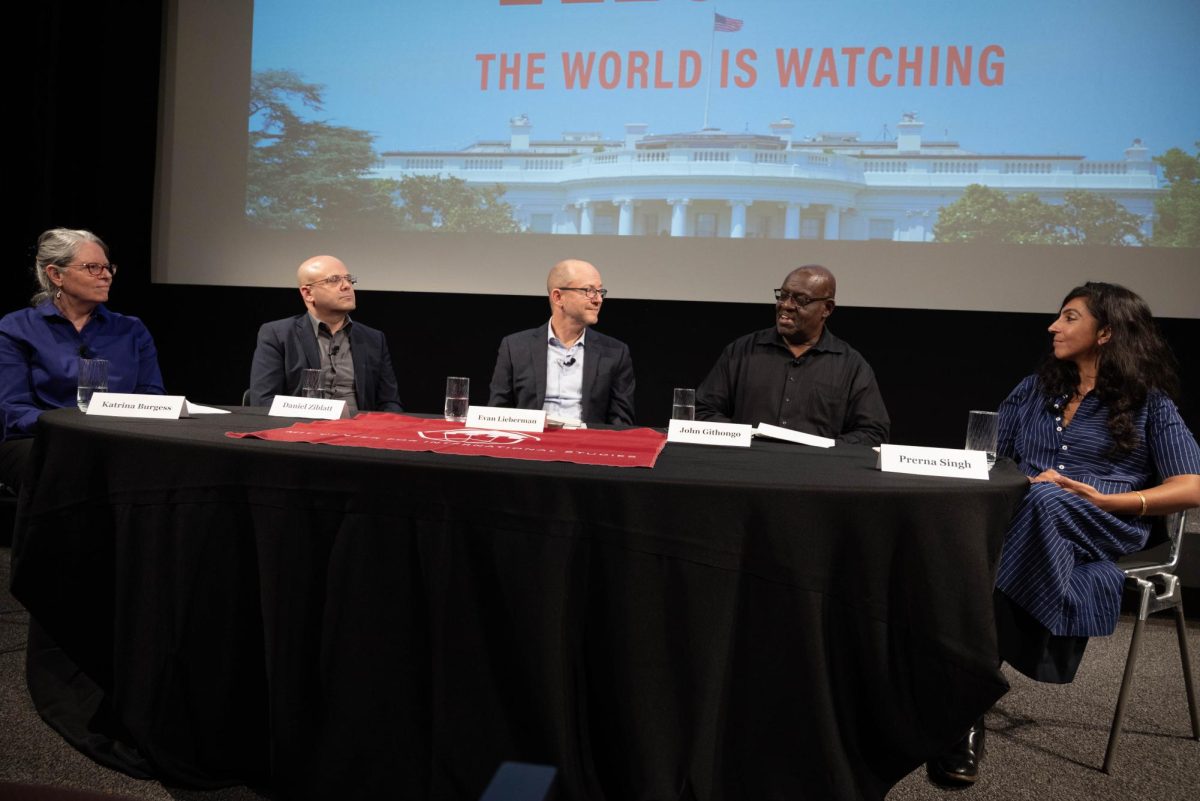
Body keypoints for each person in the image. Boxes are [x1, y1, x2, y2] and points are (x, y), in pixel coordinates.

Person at [928, 282, 1200, 786]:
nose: (1054, 326)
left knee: (1047, 501)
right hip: (1027, 518)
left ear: (1107, 332)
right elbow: (991, 459)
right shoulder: (1034, 390)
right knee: (994, 512)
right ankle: (971, 687)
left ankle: (960, 699)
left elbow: (1192, 486)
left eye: (1070, 317)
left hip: (1107, 520)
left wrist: (1108, 499)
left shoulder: (1150, 404)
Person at [0, 228, 164, 488]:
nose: (107, 276)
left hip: (118, 440)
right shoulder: (17, 328)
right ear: (56, 274)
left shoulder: (132, 330)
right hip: (41, 441)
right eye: (93, 268)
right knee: (72, 466)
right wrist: (72, 425)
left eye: (108, 268)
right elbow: (14, 411)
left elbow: (152, 396)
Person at [694, 264, 889, 446]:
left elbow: (873, 432)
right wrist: (743, 438)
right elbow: (703, 410)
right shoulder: (742, 351)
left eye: (800, 300)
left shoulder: (851, 365)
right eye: (783, 295)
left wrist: (825, 451)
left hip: (815, 477)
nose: (786, 305)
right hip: (746, 467)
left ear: (827, 309)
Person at [488, 258, 635, 425]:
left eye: (600, 292)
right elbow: (497, 413)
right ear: (558, 297)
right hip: (532, 444)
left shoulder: (615, 352)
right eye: (589, 291)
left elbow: (621, 424)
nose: (598, 300)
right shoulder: (514, 347)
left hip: (585, 446)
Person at [248, 255, 402, 414]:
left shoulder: (373, 338)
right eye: (334, 280)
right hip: (301, 431)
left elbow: (389, 402)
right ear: (308, 293)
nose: (346, 286)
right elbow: (263, 401)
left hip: (359, 432)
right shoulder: (278, 334)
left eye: (349, 279)